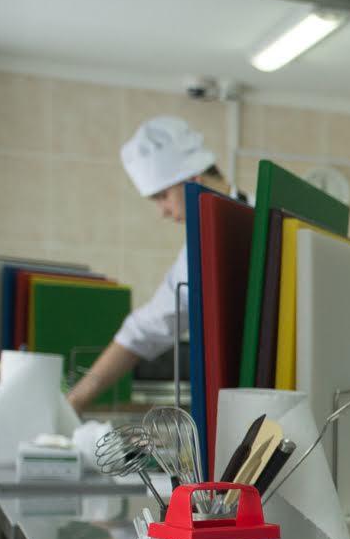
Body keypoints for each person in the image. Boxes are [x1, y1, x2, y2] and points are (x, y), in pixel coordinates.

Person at [66, 116, 236, 413]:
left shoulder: (268, 218)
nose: (163, 212)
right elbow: (148, 327)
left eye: (162, 196)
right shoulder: (198, 249)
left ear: (193, 180)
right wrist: (74, 401)